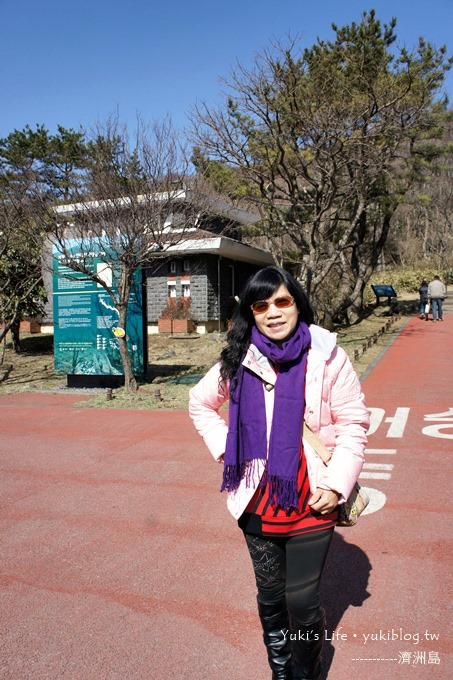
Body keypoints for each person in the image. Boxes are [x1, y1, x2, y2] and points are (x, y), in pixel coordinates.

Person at [189, 266, 369, 679]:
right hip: (256, 500)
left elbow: (353, 423)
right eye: (261, 304)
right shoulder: (239, 357)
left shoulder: (326, 355)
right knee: (271, 597)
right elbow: (200, 403)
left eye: (282, 301)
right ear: (251, 313)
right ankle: (282, 672)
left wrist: (337, 482)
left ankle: (306, 672)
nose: (272, 312)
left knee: (302, 603)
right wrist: (227, 448)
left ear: (298, 304)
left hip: (313, 498)